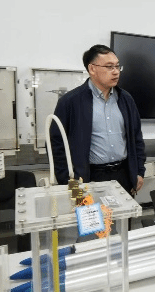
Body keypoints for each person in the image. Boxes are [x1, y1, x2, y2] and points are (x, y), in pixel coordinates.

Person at [50, 44, 146, 197]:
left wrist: (139, 171)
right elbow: (56, 144)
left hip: (123, 175)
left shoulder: (126, 99)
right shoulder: (70, 102)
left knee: (124, 213)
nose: (115, 71)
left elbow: (136, 138)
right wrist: (68, 183)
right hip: (88, 177)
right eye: (109, 67)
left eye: (117, 66)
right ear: (92, 69)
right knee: (92, 213)